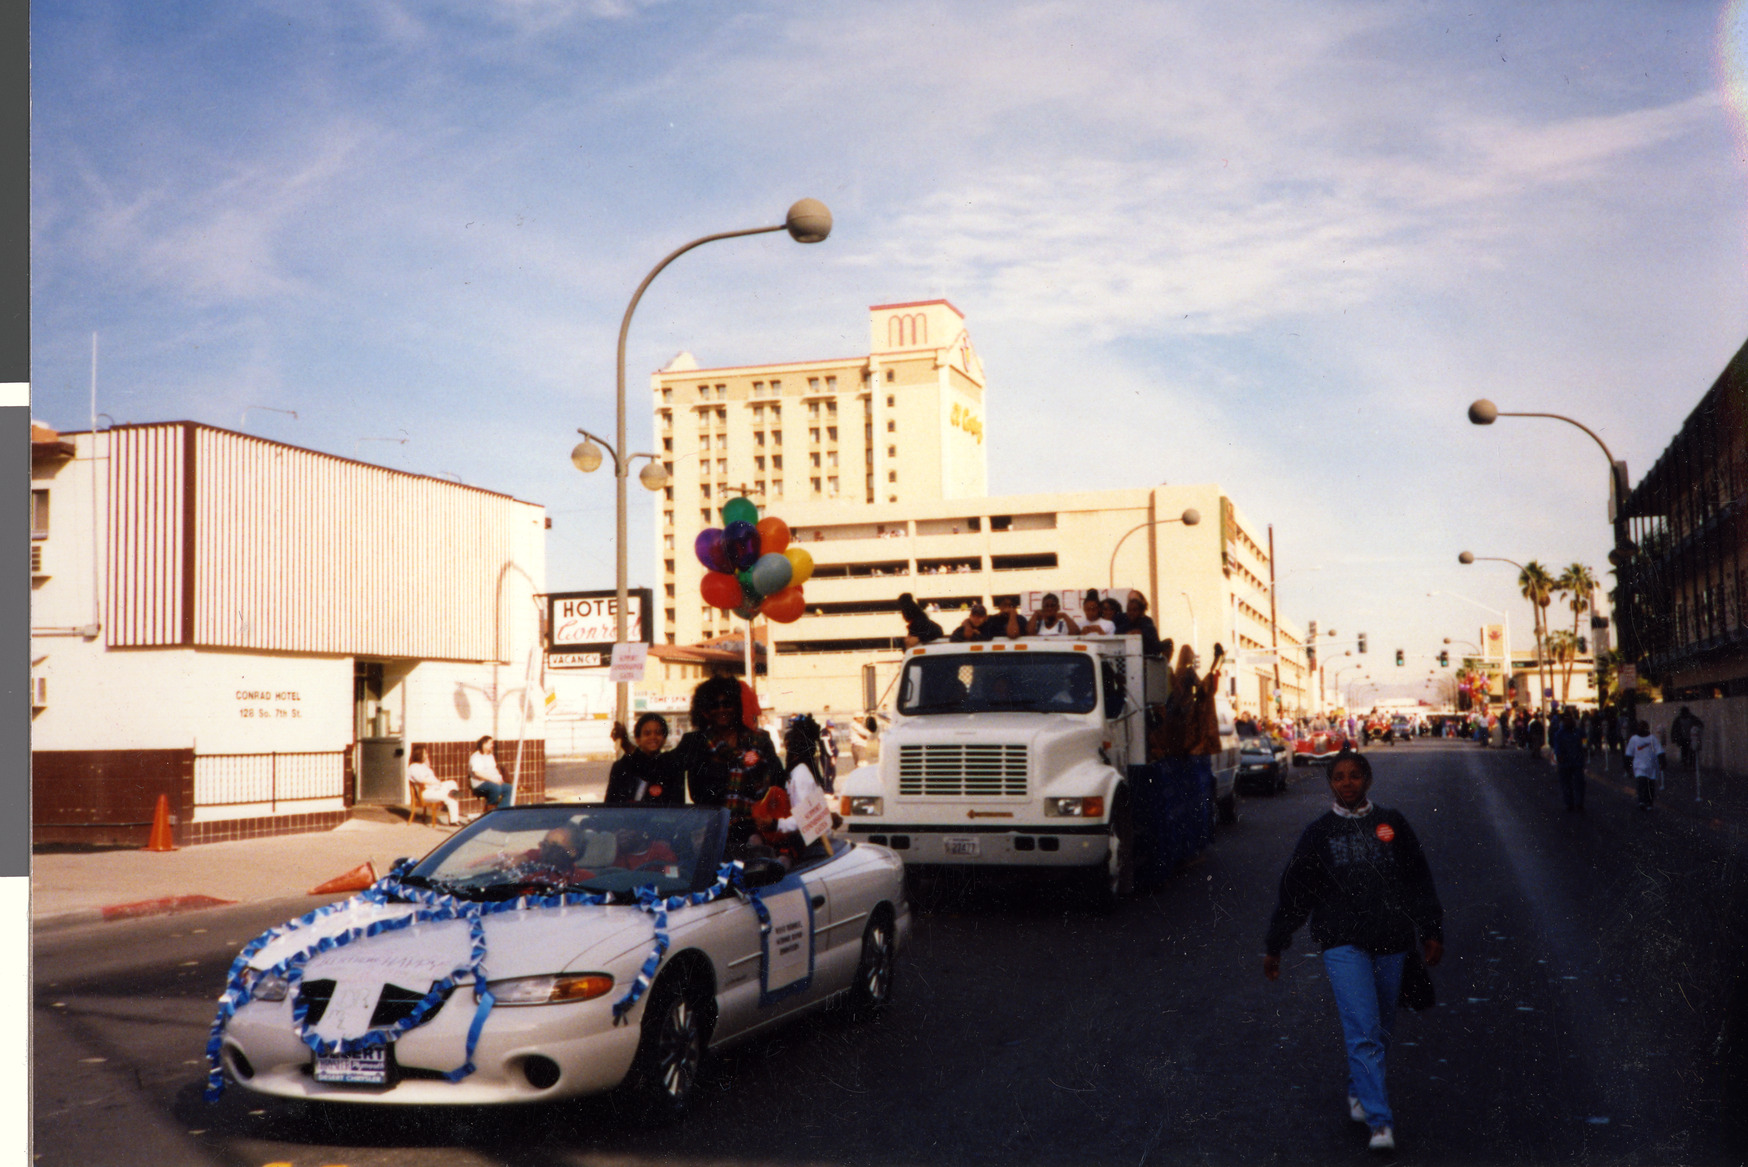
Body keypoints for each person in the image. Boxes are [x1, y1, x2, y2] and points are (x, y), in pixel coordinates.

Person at [1264, 750, 1445, 1154]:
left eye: (1354, 776)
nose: (1347, 783)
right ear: (1330, 783)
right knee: (1363, 1031)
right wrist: (1276, 943)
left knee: (1378, 1030)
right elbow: (1295, 893)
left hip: (1393, 941)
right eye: (1339, 777)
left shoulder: (1392, 824)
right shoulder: (1318, 833)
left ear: (1367, 780)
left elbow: (1418, 879)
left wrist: (1431, 931)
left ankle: (1358, 1090)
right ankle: (1380, 1123)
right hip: (1343, 944)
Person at [672, 675, 785, 852]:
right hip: (708, 831)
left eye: (727, 703)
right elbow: (661, 768)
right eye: (714, 705)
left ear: (737, 706)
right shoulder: (694, 742)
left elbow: (779, 783)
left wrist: (771, 816)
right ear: (704, 710)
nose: (721, 709)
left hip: (752, 832)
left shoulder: (759, 740)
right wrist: (629, 747)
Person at [605, 713, 683, 805]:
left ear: (664, 738)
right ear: (638, 739)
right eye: (647, 733)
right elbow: (610, 804)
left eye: (658, 733)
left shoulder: (671, 766)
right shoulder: (621, 767)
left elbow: (649, 769)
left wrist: (627, 746)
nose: (653, 737)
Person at [405, 745, 461, 825]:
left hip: (435, 788)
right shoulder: (413, 767)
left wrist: (426, 760)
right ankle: (453, 820)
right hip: (426, 792)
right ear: (419, 754)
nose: (427, 755)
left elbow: (428, 768)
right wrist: (436, 783)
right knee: (449, 795)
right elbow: (422, 780)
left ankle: (452, 795)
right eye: (425, 753)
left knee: (452, 783)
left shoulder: (422, 765)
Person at [1551, 709, 1587, 811]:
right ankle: (1570, 803)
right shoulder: (1559, 734)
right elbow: (1557, 748)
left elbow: (1584, 742)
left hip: (1576, 762)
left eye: (1570, 719)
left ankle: (1578, 803)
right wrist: (1559, 757)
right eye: (1566, 719)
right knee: (1567, 784)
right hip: (1566, 763)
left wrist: (1585, 748)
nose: (1569, 721)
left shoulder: (1579, 732)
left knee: (1578, 783)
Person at [1626, 719, 1665, 810]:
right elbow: (1629, 753)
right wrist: (1628, 767)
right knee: (1641, 782)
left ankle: (1649, 802)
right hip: (1639, 766)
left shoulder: (1652, 739)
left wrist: (1662, 762)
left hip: (1651, 766)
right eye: (1639, 727)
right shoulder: (1634, 739)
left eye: (1643, 727)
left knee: (1650, 785)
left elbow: (1659, 751)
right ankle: (1642, 801)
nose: (1641, 729)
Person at [468, 735, 513, 812]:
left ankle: (502, 810)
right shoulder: (476, 757)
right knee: (496, 788)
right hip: (480, 784)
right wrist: (493, 780)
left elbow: (494, 769)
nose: (492, 745)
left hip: (493, 781)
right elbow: (477, 773)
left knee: (509, 788)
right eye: (490, 743)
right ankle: (489, 809)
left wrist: (499, 777)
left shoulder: (490, 756)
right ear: (484, 744)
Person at [1672, 706, 1704, 771]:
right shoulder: (1680, 719)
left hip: (1691, 738)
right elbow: (1674, 729)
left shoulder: (1691, 718)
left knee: (1690, 752)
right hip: (1684, 739)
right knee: (1685, 753)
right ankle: (1687, 765)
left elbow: (1700, 724)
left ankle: (1690, 765)